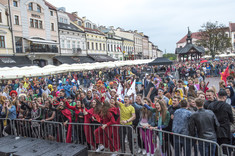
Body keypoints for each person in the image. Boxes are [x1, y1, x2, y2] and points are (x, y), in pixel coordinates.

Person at [207, 89, 233, 154]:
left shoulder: (210, 105)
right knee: (225, 150)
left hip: (213, 130)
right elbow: (231, 118)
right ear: (225, 97)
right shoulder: (227, 106)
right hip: (224, 131)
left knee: (215, 150)